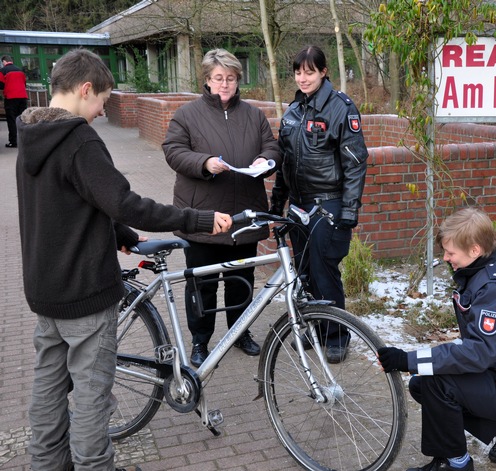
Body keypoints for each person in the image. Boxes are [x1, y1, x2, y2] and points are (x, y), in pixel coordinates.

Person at [15, 49, 233, 471]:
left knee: (47, 395)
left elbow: (68, 203)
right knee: (93, 401)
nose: (100, 112)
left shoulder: (31, 135)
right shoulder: (77, 139)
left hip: (44, 291)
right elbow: (126, 202)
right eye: (102, 101)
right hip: (85, 293)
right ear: (85, 89)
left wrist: (120, 236)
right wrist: (199, 219)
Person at [377, 208, 496, 471]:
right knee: (422, 386)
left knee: (436, 385)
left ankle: (455, 464)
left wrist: (409, 359)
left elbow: (478, 353)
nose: (445, 257)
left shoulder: (495, 287)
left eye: (451, 253)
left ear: (474, 250)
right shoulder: (487, 270)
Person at [163, 48, 281, 367]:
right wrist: (204, 162)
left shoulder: (254, 115)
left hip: (244, 216)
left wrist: (265, 160)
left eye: (230, 78)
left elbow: (272, 145)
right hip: (203, 217)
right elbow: (173, 150)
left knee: (240, 282)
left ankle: (240, 332)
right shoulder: (187, 115)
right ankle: (200, 342)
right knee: (201, 286)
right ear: (207, 80)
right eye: (219, 78)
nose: (225, 84)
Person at [270, 45, 369, 364]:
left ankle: (337, 335)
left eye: (309, 71)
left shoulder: (341, 108)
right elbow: (285, 161)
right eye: (298, 72)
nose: (302, 77)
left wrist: (349, 212)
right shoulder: (293, 111)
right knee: (304, 274)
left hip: (329, 206)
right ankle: (313, 330)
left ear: (324, 72)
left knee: (325, 273)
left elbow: (356, 164)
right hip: (297, 208)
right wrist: (277, 205)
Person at [0, 55, 28, 148]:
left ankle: (13, 142)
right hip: (23, 97)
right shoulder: (20, 71)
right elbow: (24, 84)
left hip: (11, 98)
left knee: (11, 120)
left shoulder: (3, 71)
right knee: (21, 119)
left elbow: (1, 85)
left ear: (4, 62)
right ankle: (24, 140)